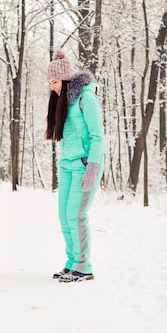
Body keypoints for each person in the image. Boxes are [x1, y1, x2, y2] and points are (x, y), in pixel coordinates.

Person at [45, 50, 105, 282]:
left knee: (76, 214)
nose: (53, 87)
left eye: (55, 82)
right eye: (50, 83)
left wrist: (92, 167)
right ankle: (71, 263)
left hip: (85, 164)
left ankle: (84, 266)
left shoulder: (86, 99)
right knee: (64, 215)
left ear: (66, 78)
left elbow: (98, 137)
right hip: (67, 165)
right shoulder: (64, 103)